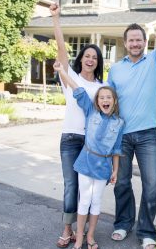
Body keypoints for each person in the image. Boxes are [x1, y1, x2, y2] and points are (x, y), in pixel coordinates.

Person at [108, 0, 156, 249]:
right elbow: (108, 102)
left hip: (148, 134)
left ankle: (146, 230)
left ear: (145, 42)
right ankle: (123, 224)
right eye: (131, 40)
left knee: (151, 184)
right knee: (122, 183)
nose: (135, 44)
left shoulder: (155, 62)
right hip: (121, 135)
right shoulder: (115, 68)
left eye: (139, 40)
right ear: (125, 43)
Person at [50, 3, 104, 248]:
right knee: (71, 184)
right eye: (87, 55)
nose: (90, 59)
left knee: (89, 189)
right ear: (81, 58)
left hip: (92, 143)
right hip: (71, 139)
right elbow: (61, 49)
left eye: (95, 57)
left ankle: (84, 232)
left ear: (98, 62)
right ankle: (67, 229)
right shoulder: (68, 78)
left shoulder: (102, 87)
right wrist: (56, 19)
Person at [53, 60, 124, 249]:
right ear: (97, 101)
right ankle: (78, 240)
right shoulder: (91, 111)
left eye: (109, 97)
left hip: (103, 167)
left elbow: (117, 149)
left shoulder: (119, 123)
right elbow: (77, 89)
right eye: (102, 98)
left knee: (96, 201)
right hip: (85, 162)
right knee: (84, 199)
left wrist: (115, 171)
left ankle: (90, 236)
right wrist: (62, 71)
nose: (105, 100)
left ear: (114, 101)